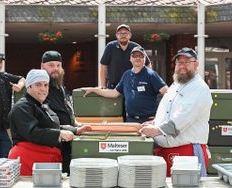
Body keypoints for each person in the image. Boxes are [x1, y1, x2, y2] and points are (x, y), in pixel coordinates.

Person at [139, 47, 213, 177]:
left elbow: (182, 118)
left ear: (196, 64)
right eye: (179, 62)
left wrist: (157, 130)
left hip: (188, 153)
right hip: (168, 152)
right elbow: (167, 111)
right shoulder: (176, 85)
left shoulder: (199, 88)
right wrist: (155, 122)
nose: (182, 66)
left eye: (187, 62)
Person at [9, 69, 79, 176]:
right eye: (38, 85)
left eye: (46, 85)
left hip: (46, 159)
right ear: (29, 87)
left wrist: (75, 130)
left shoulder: (43, 105)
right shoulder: (22, 107)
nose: (43, 89)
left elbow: (50, 126)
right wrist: (59, 134)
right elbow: (33, 132)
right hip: (28, 160)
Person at [84, 46, 168, 123]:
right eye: (135, 56)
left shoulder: (151, 75)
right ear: (130, 59)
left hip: (148, 120)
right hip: (130, 120)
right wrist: (94, 90)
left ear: (145, 59)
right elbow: (114, 93)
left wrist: (161, 116)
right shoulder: (126, 75)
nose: (137, 58)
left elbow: (167, 93)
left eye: (141, 56)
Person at [41, 50, 90, 175]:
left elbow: (66, 110)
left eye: (58, 65)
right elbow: (44, 119)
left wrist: (76, 123)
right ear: (42, 66)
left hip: (67, 141)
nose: (55, 69)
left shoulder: (61, 87)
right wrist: (71, 129)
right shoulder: (42, 89)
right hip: (53, 142)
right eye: (51, 65)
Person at [100, 24, 151, 89]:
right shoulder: (110, 46)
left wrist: (146, 82)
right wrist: (103, 85)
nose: (123, 35)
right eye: (120, 33)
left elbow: (148, 64)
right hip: (114, 86)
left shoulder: (136, 47)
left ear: (130, 35)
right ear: (116, 35)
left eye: (126, 33)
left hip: (133, 86)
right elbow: (103, 66)